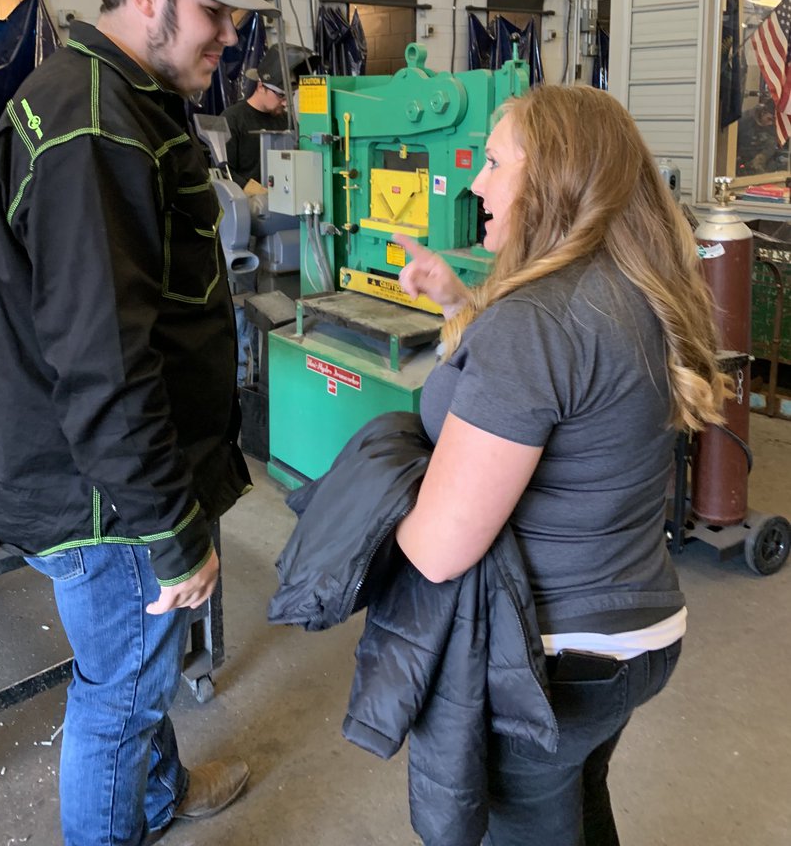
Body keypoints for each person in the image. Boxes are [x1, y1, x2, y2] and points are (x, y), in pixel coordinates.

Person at [0, 0, 278, 846]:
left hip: (111, 479)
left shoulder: (117, 96)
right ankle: (125, 812)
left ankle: (156, 797)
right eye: (214, 10)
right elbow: (105, 365)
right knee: (121, 693)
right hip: (105, 501)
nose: (230, 33)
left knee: (138, 669)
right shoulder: (96, 127)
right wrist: (174, 529)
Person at [390, 83, 728, 846]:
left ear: (550, 182)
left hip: (550, 661)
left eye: (494, 162)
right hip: (636, 636)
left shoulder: (536, 322)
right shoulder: (631, 290)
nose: (475, 181)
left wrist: (373, 530)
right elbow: (557, 388)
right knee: (575, 802)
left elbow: (441, 549)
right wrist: (458, 304)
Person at [222, 44, 310, 187]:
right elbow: (224, 171)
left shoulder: (288, 122)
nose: (286, 103)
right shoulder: (232, 119)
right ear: (261, 86)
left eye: (290, 96)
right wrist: (253, 193)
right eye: (281, 96)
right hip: (246, 204)